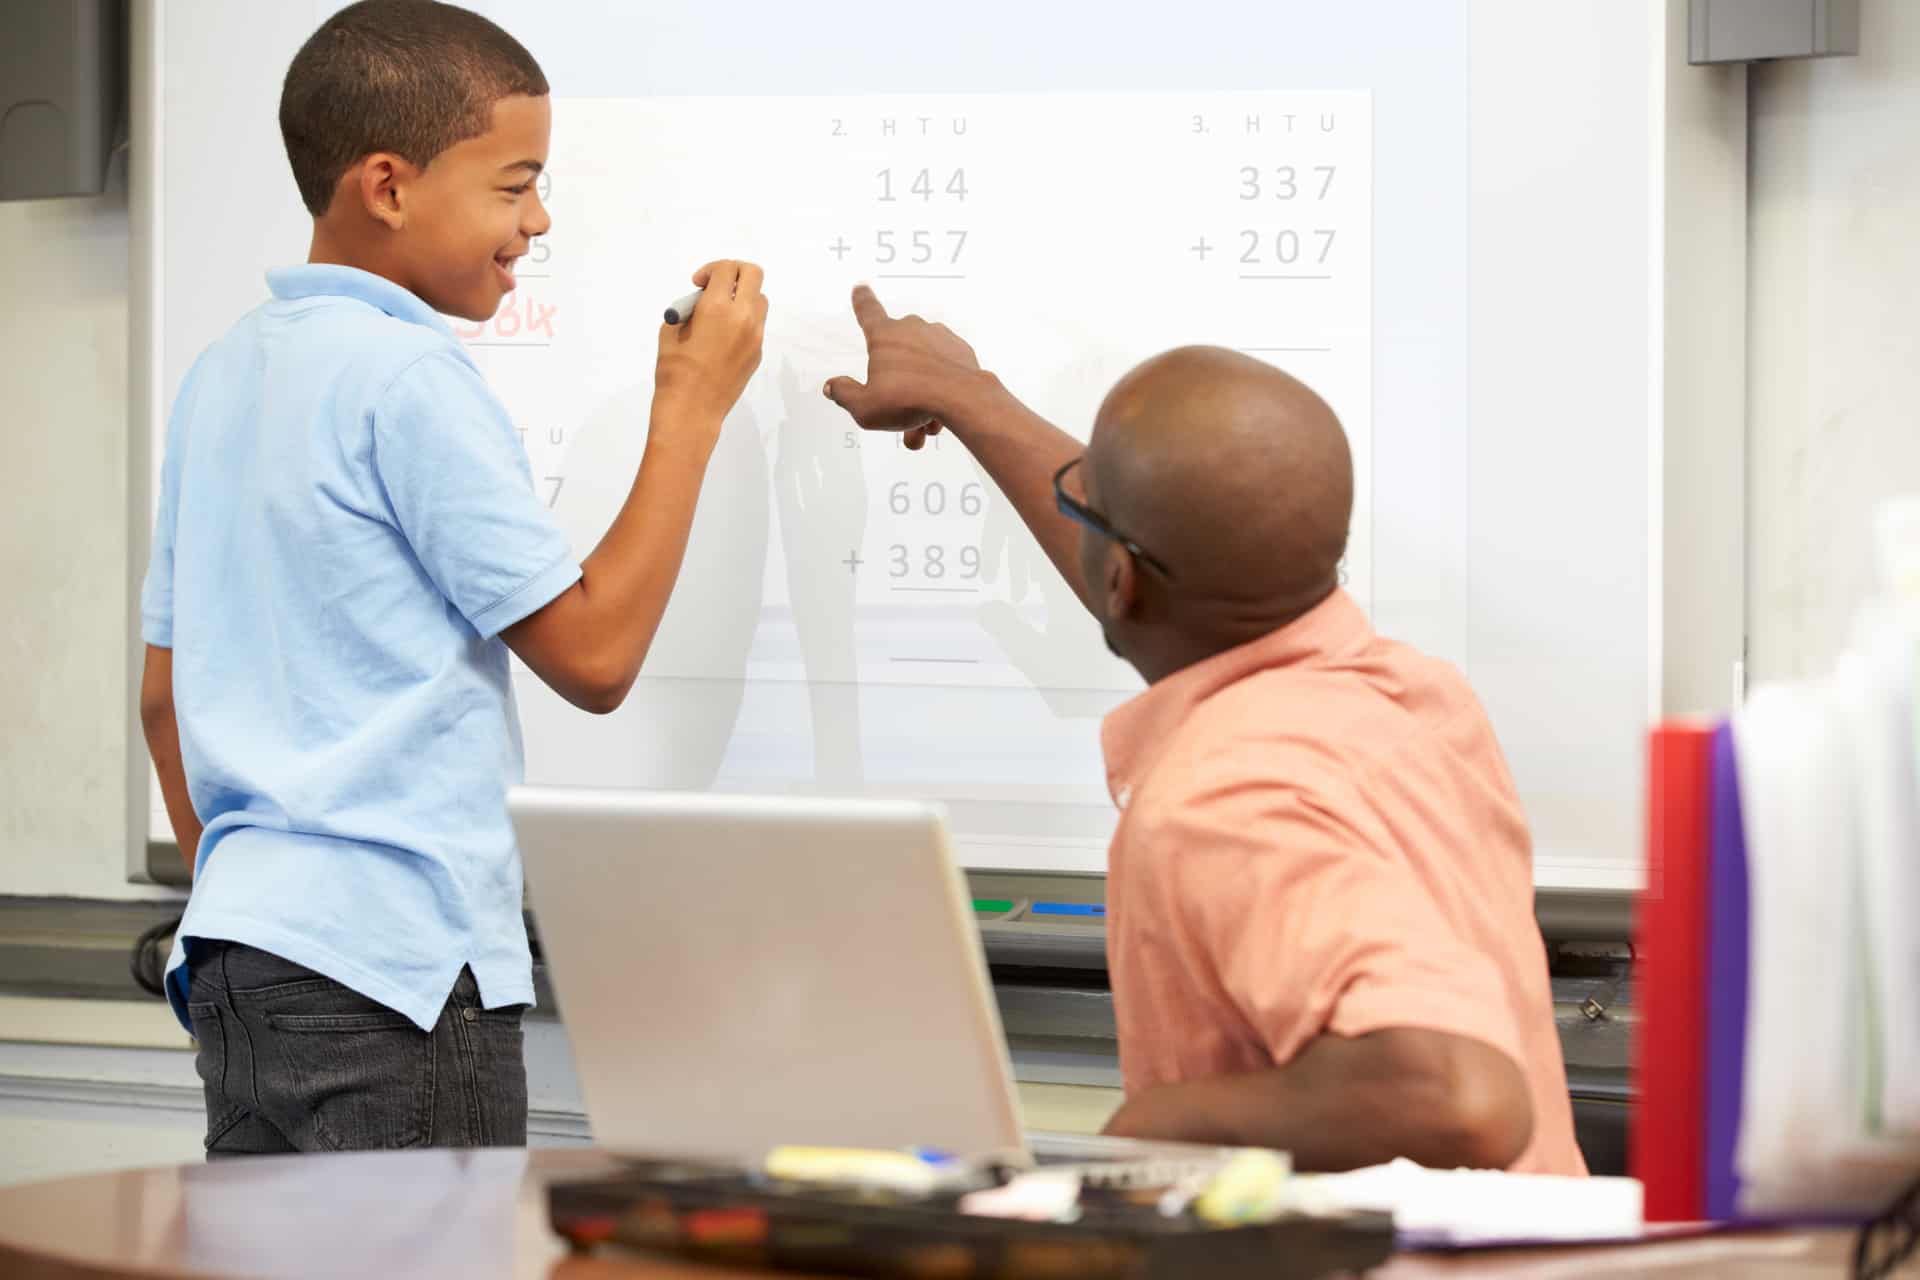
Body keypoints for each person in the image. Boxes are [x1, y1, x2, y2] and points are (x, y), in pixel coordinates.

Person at [137, 0, 766, 1154]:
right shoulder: (409, 376)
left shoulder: (219, 376)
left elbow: (163, 701)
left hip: (243, 962)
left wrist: (267, 906)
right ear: (388, 185)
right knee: (438, 1242)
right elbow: (595, 655)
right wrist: (690, 406)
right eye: (514, 185)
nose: (538, 220)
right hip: (401, 976)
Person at [824, 287, 1585, 1174]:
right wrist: (971, 396)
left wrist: (1159, 1123)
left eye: (1084, 503)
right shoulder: (1418, 698)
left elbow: (1456, 1097)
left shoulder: (1225, 796)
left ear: (1121, 581)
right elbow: (1171, 552)